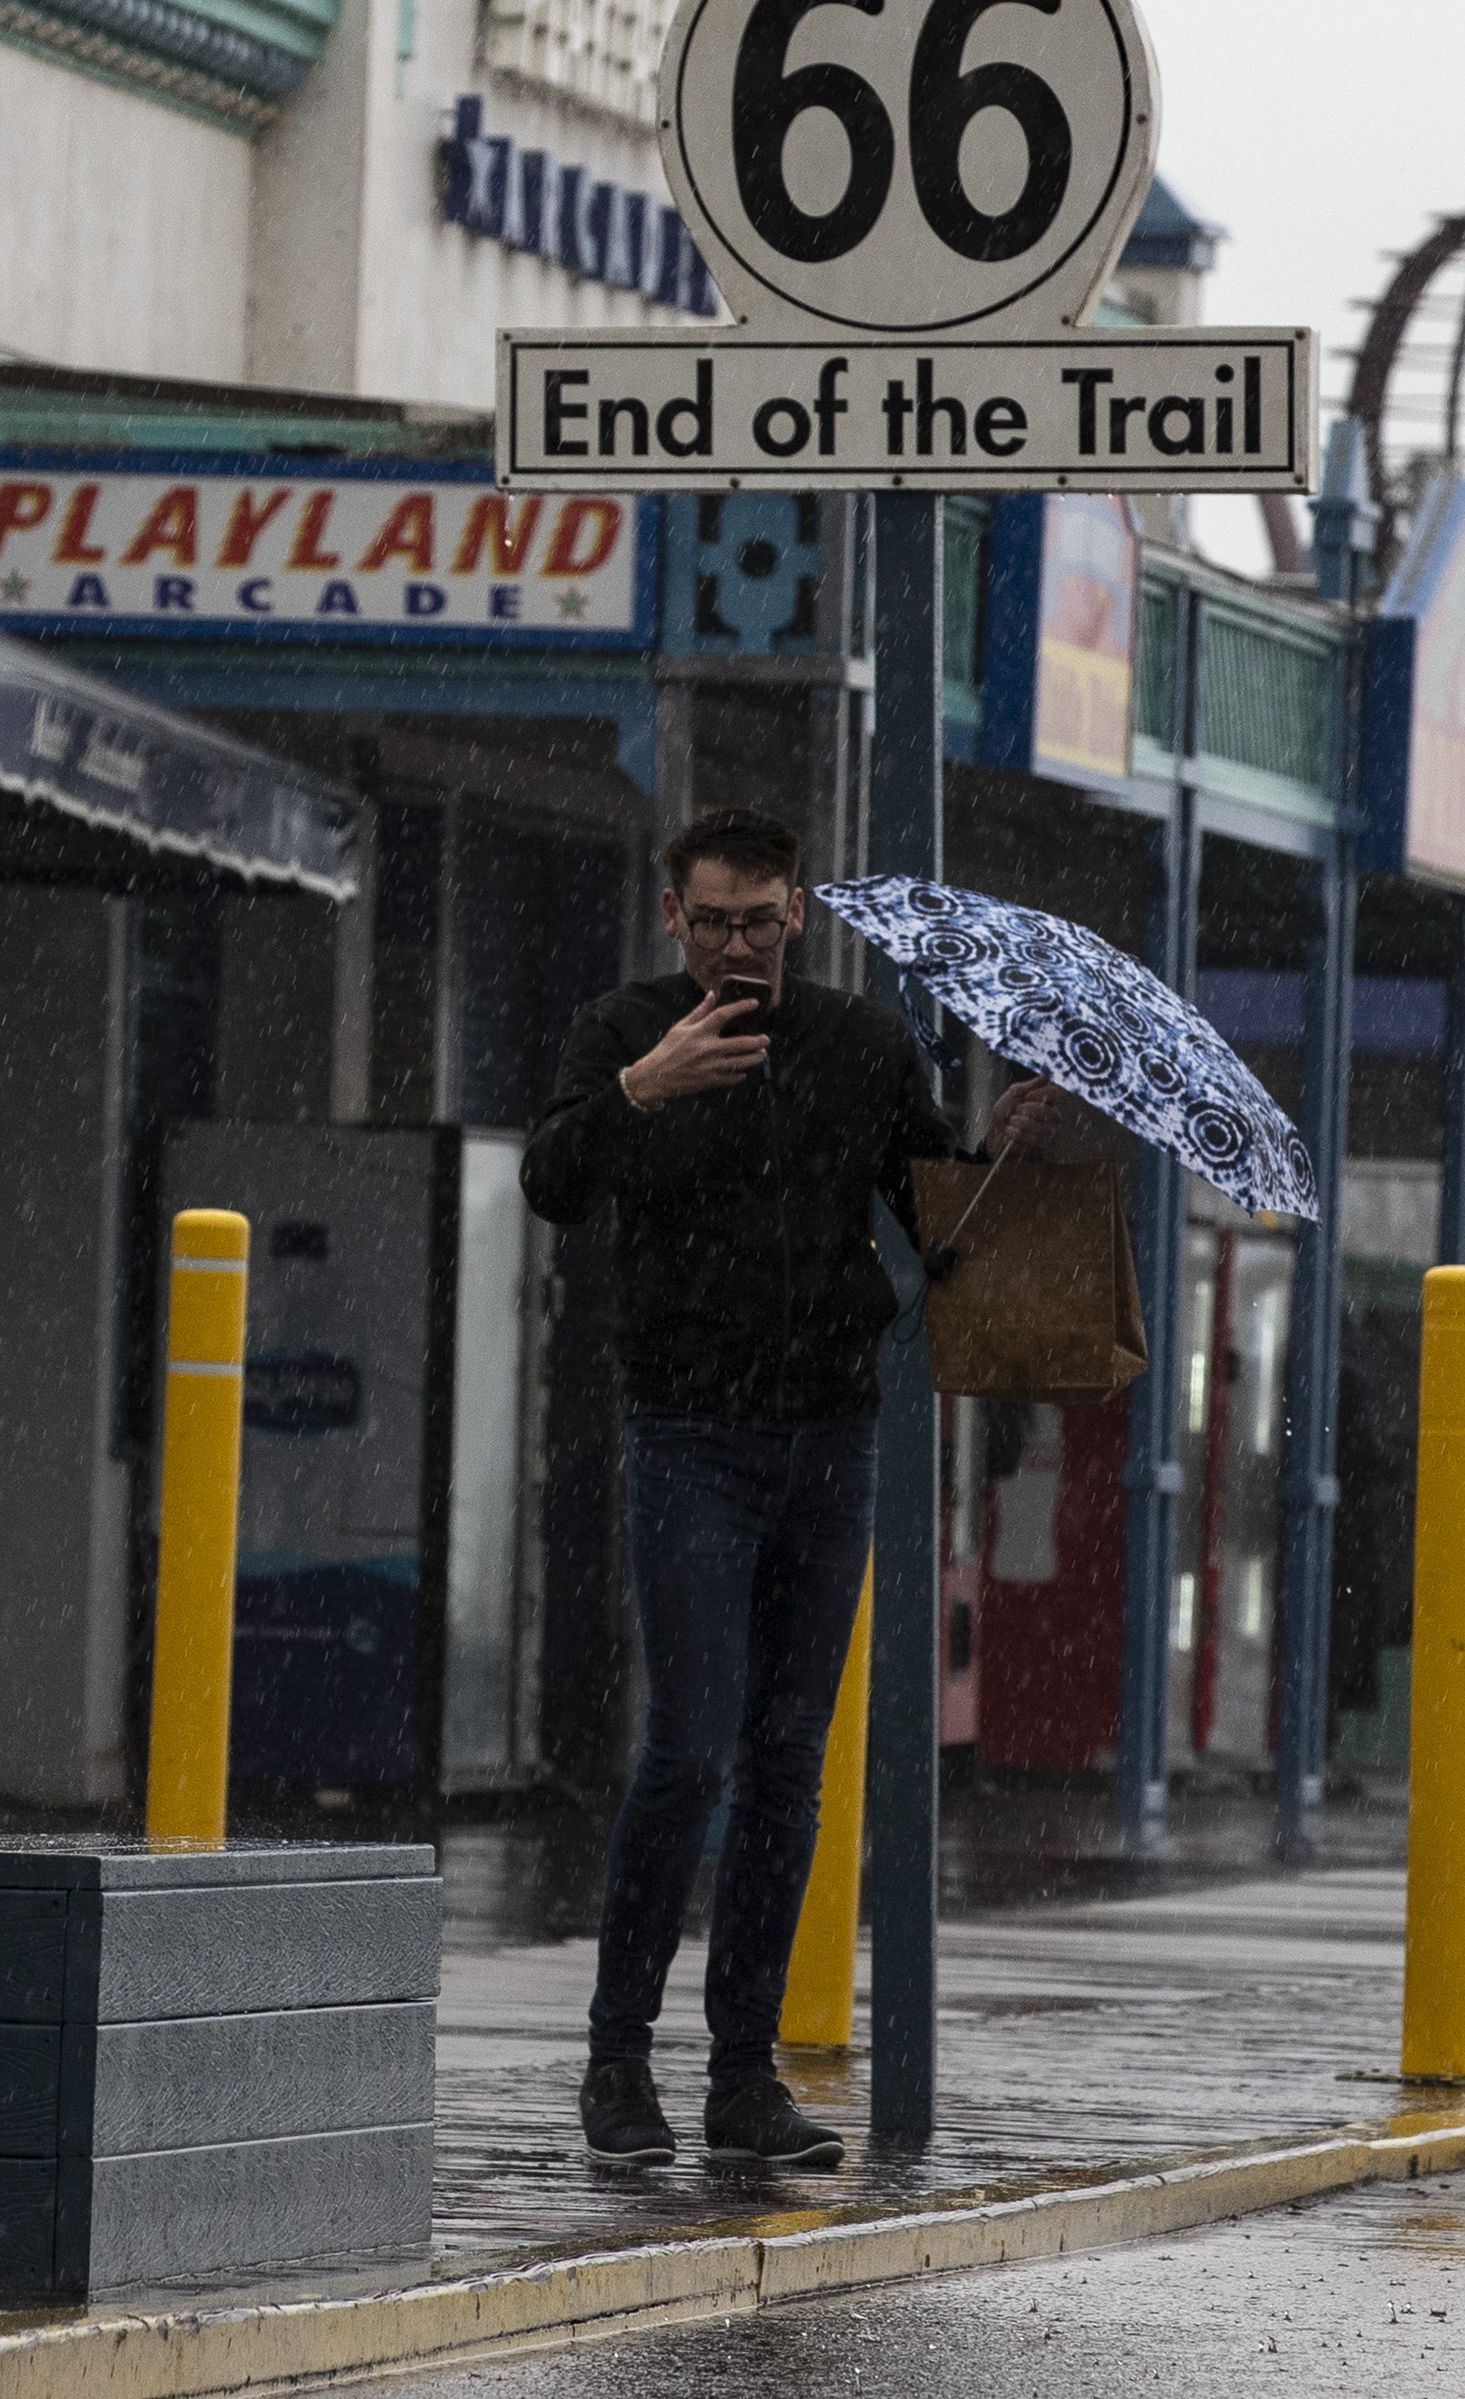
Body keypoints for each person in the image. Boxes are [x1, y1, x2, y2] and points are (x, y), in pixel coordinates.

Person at [523, 806, 1050, 2168]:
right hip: (688, 1427)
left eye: (762, 921)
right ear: (672, 916)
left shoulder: (861, 1043)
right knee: (691, 1740)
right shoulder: (624, 1029)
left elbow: (939, 1226)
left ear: (801, 915)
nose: (739, 949)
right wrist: (650, 1085)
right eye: (714, 922)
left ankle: (743, 2074)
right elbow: (552, 1181)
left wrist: (995, 1154)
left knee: (784, 1761)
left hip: (828, 1432)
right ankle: (617, 2059)